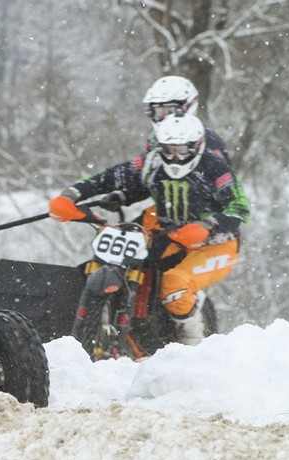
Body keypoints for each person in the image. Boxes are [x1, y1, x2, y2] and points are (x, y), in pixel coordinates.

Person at [50, 114, 249, 345]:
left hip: (216, 242)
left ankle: (194, 343)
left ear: (197, 146)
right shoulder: (151, 163)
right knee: (124, 260)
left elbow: (239, 208)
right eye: (168, 149)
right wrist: (71, 195)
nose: (175, 157)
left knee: (174, 284)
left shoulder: (214, 167)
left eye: (182, 150)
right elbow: (108, 177)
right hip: (171, 234)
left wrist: (209, 225)